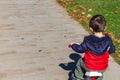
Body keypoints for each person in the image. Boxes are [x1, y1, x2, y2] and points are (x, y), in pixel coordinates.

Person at [68, 15, 115, 80]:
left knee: (79, 62)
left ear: (91, 28)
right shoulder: (108, 40)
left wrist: (73, 45)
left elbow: (80, 49)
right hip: (103, 67)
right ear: (105, 28)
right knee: (100, 71)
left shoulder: (88, 40)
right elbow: (112, 50)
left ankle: (78, 77)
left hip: (89, 66)